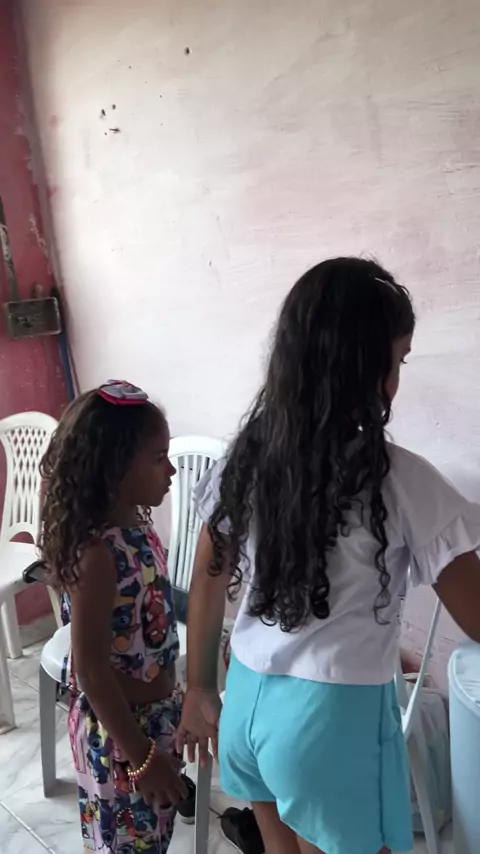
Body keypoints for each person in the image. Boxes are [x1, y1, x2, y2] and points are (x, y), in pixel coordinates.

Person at [177, 258, 480, 854]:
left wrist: (198, 686)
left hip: (246, 700)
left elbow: (209, 573)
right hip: (327, 723)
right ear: (365, 369)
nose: (397, 379)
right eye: (398, 361)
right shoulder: (400, 481)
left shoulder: (247, 459)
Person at [40, 380, 191, 854]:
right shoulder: (98, 555)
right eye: (159, 458)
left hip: (154, 721)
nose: (170, 470)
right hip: (121, 737)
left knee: (151, 840)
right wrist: (143, 758)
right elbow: (91, 671)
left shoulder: (139, 526)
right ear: (114, 467)